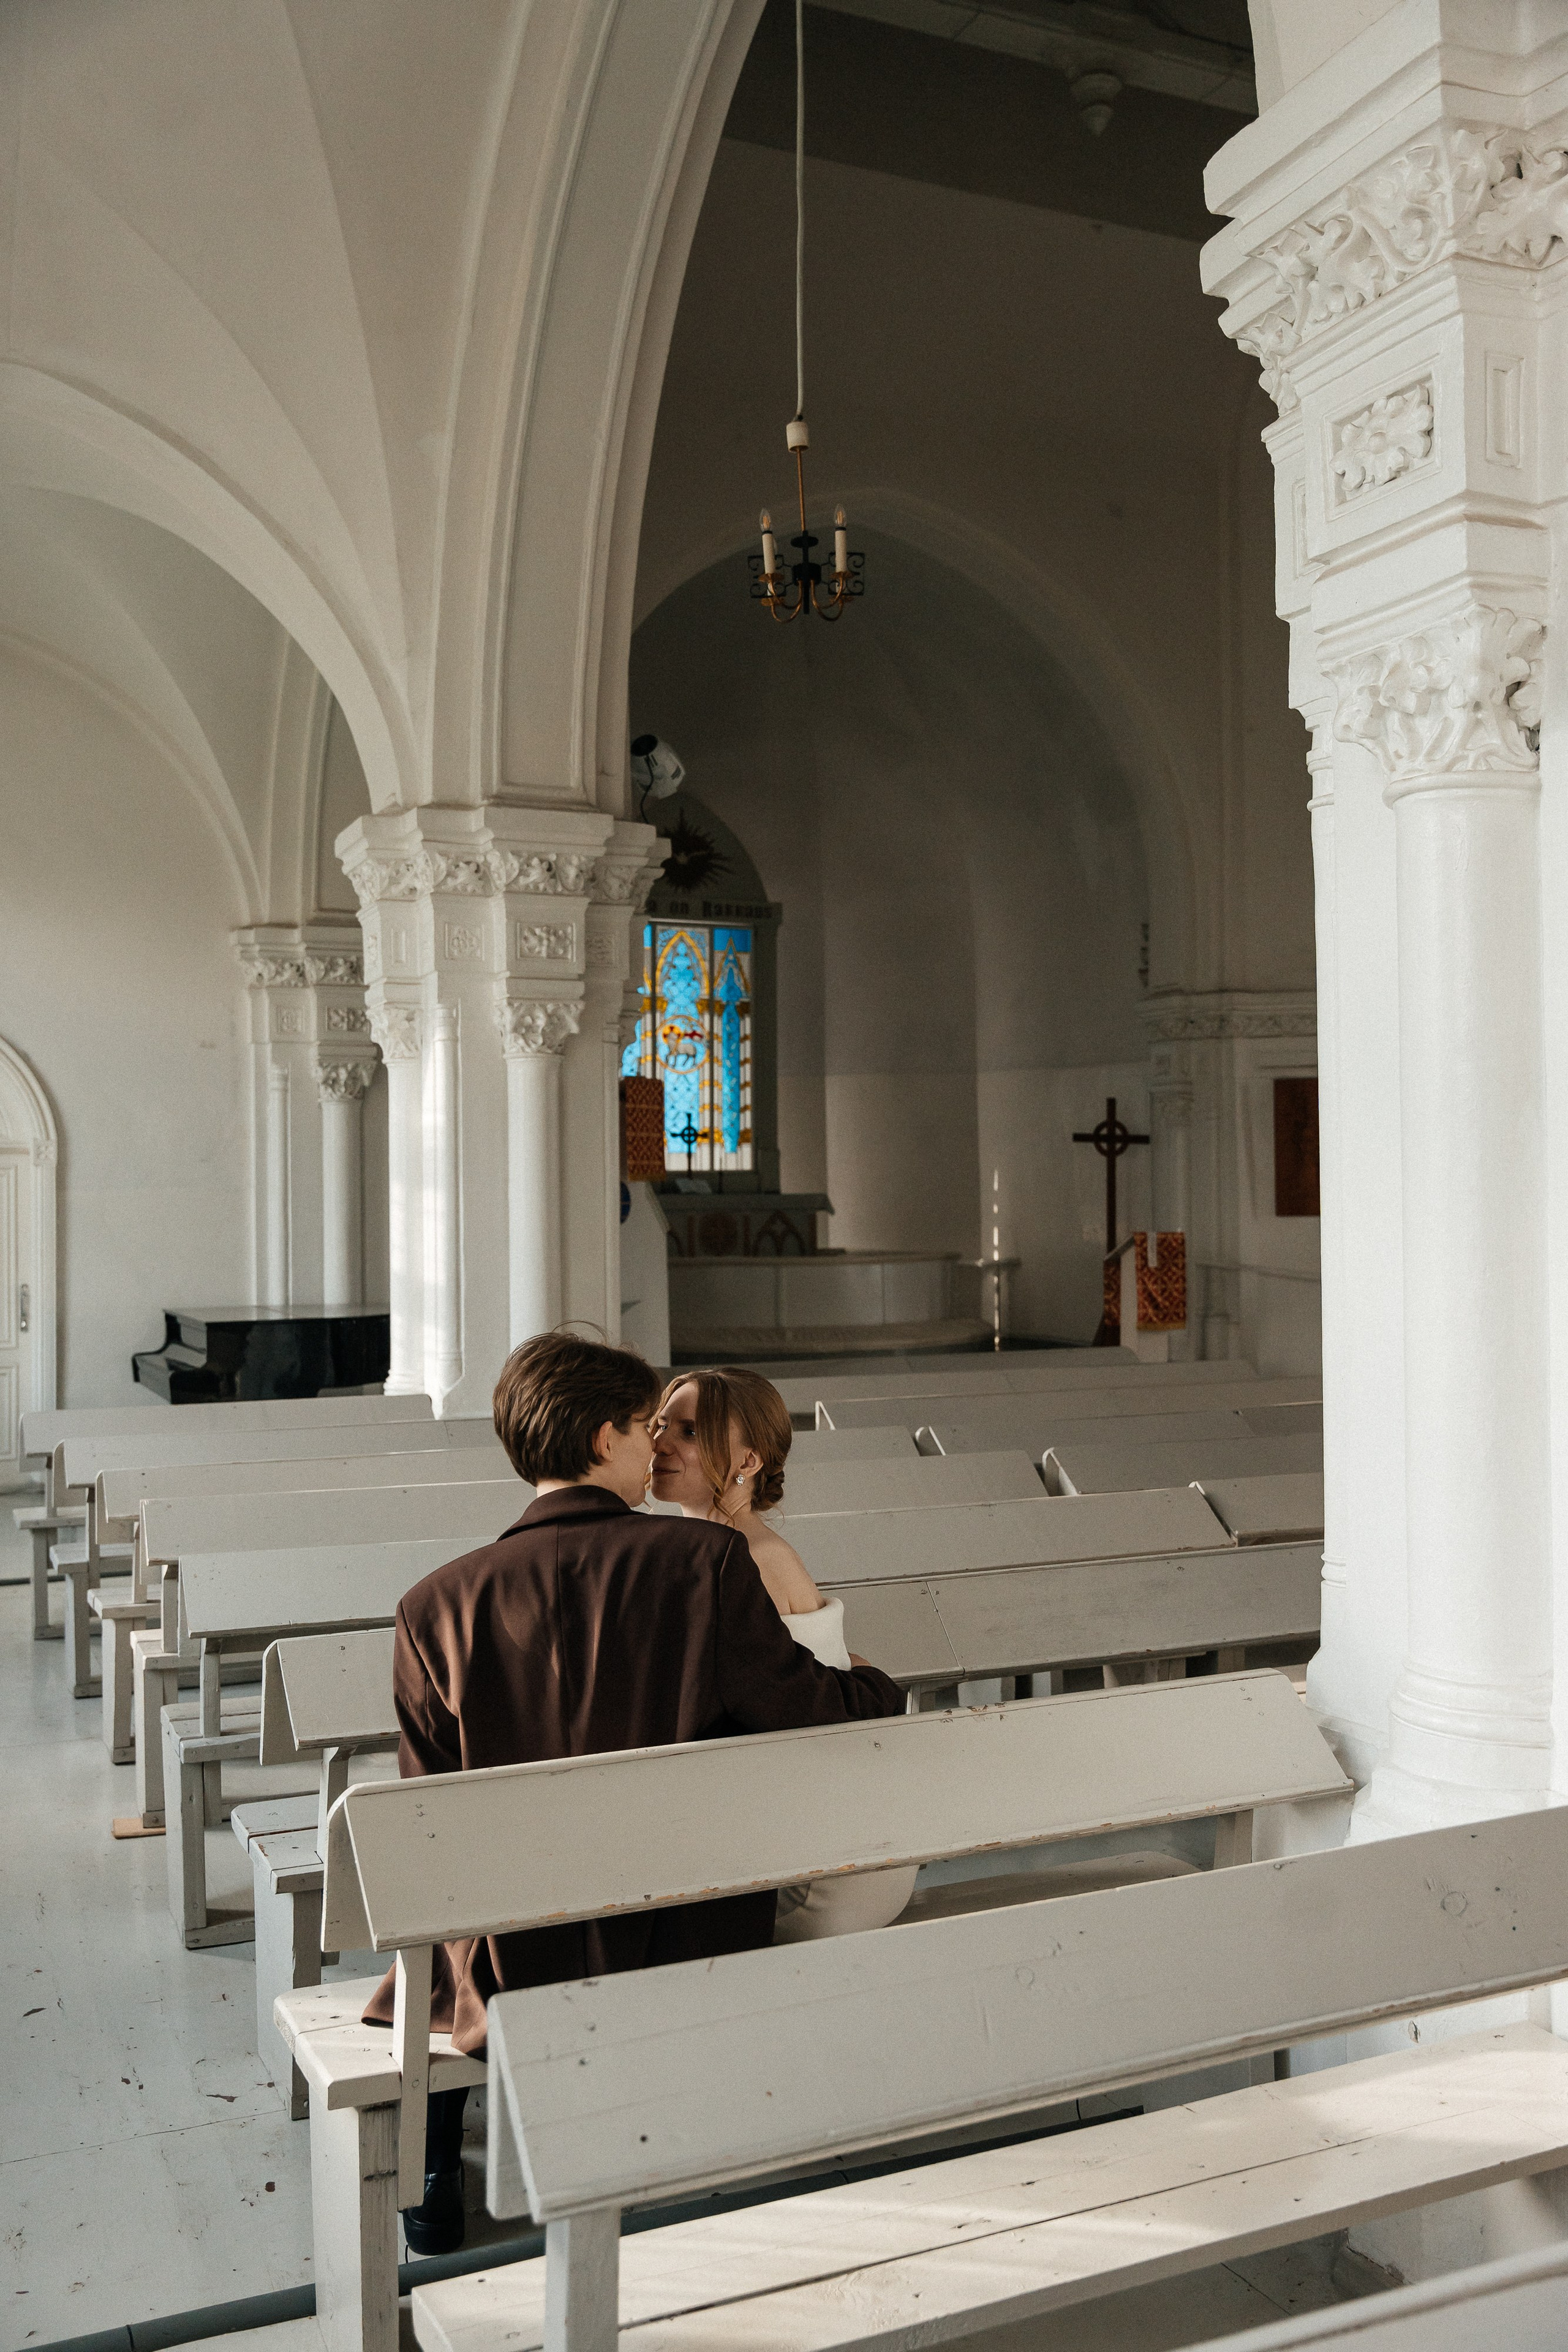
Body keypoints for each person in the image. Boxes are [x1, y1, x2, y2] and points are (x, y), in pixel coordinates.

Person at [364, 1329, 903, 2255]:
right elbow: (806, 1710)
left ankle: (436, 2163)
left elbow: (431, 1818)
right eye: (647, 1425)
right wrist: (877, 1684)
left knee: (466, 1908)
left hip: (519, 1945)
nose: (656, 1444)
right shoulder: (704, 1563)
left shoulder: (431, 1606)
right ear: (604, 1438)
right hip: (682, 1928)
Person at [650, 1365, 922, 1943]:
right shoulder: (719, 1548)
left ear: (748, 1461)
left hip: (826, 1872)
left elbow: (792, 1713)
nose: (661, 1443)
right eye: (660, 1425)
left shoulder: (749, 1557)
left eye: (690, 1432)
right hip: (821, 1829)